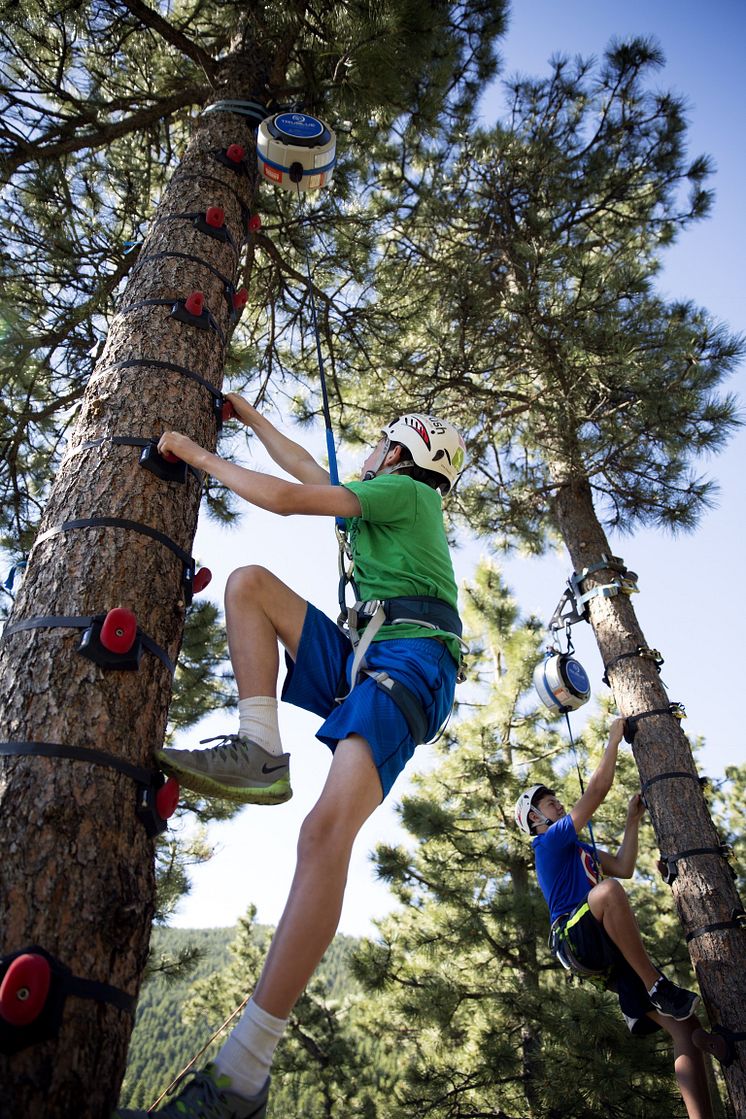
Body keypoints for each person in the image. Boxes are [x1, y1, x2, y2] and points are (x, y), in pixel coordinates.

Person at [115, 398, 467, 1119]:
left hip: (411, 659)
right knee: (249, 586)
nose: (367, 453)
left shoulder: (402, 493)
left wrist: (198, 453)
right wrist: (247, 416)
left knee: (323, 834)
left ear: (402, 456)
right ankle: (260, 749)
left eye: (378, 445)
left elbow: (283, 497)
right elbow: (303, 469)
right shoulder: (384, 501)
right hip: (371, 652)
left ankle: (245, 1071)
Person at [514, 717, 714, 1119]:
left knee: (686, 1028)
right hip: (575, 937)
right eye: (549, 803)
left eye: (555, 799)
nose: (557, 803)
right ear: (535, 820)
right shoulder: (548, 843)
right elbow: (598, 790)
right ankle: (654, 984)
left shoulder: (581, 851)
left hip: (603, 951)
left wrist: (631, 821)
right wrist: (613, 740)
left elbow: (623, 866)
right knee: (606, 892)